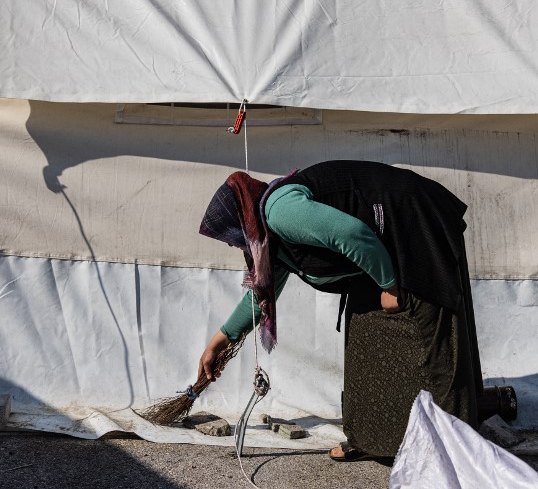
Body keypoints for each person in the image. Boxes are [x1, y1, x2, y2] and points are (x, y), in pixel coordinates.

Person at [197, 160, 483, 460]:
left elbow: (351, 233)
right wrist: (219, 342)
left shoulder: (280, 212)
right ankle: (372, 439)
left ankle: (455, 450)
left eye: (229, 235)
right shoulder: (272, 243)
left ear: (241, 220)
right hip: (377, 255)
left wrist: (389, 286)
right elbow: (261, 297)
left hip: (411, 223)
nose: (232, 245)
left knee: (431, 338)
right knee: (366, 341)